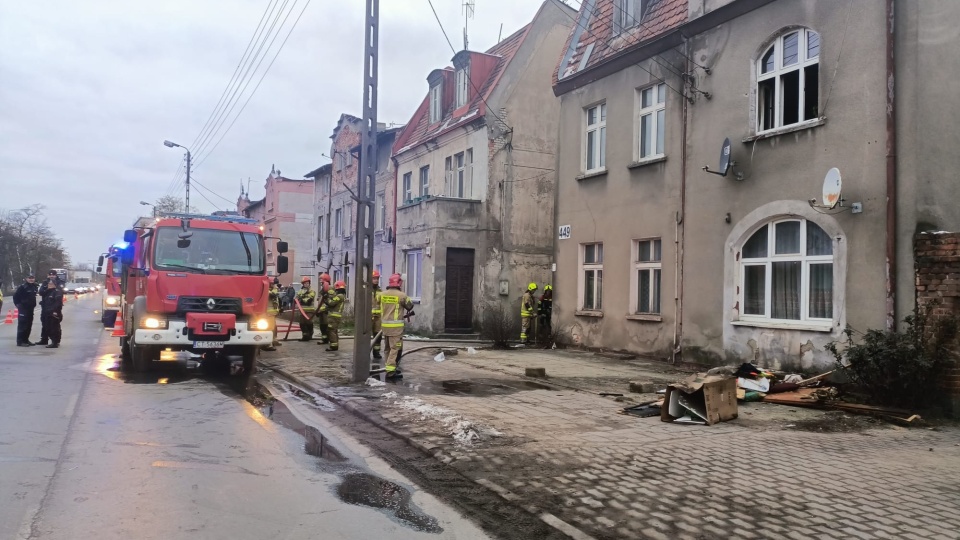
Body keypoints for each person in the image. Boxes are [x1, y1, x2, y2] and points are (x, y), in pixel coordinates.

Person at [380, 273, 415, 378]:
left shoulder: (382, 294)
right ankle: (391, 372)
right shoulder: (402, 295)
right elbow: (410, 306)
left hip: (385, 327)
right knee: (395, 349)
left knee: (387, 349)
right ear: (399, 283)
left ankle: (390, 368)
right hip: (396, 328)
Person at [13, 275, 39, 346]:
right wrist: (18, 305)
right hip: (23, 309)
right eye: (29, 278)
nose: (31, 279)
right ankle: (20, 341)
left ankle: (26, 340)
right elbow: (15, 296)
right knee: (22, 325)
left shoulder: (34, 287)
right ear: (26, 279)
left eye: (32, 278)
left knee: (28, 325)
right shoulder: (22, 287)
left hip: (30, 309)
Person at [37, 270, 62, 346]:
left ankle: (55, 341)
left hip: (54, 308)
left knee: (54, 325)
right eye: (50, 275)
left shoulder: (59, 284)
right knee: (45, 323)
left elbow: (58, 300)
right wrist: (47, 289)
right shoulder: (45, 283)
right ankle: (44, 339)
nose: (51, 276)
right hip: (45, 307)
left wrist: (55, 310)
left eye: (53, 275)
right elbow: (41, 292)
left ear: (55, 275)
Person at [323, 280, 346, 352]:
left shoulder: (339, 296)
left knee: (331, 331)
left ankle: (333, 346)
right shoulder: (341, 296)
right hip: (335, 317)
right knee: (334, 331)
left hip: (334, 317)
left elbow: (331, 303)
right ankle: (334, 344)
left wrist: (326, 298)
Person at [296, 276, 317, 341]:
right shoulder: (300, 291)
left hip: (309, 311)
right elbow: (296, 298)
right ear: (303, 284)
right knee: (302, 324)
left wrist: (302, 299)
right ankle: (305, 336)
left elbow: (308, 301)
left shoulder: (312, 291)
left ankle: (310, 334)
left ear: (309, 283)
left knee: (309, 323)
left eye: (307, 283)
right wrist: (301, 298)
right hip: (302, 311)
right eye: (305, 283)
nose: (306, 284)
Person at [263, 277, 282, 351]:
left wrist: (280, 308)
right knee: (269, 328)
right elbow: (273, 295)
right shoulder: (267, 291)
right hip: (268, 314)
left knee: (273, 327)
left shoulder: (272, 290)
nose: (274, 285)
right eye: (272, 284)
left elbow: (276, 299)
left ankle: (274, 340)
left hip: (272, 313)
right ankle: (268, 344)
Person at [315, 273, 332, 345]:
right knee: (322, 326)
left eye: (321, 281)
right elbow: (320, 301)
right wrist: (318, 310)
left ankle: (328, 339)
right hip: (321, 311)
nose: (320, 282)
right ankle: (324, 339)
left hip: (326, 311)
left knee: (326, 326)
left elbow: (329, 301)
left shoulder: (329, 289)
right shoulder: (323, 289)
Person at [371, 270, 383, 360]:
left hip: (378, 317)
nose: (376, 280)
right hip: (367, 317)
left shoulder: (380, 291)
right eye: (374, 278)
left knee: (377, 335)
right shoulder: (365, 289)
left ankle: (376, 352)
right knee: (365, 336)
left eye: (377, 278)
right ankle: (365, 352)